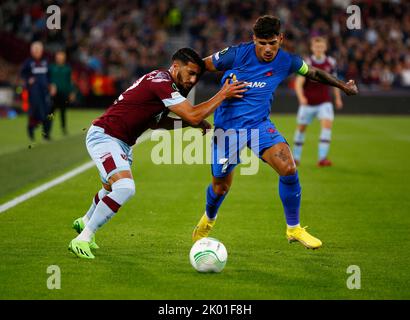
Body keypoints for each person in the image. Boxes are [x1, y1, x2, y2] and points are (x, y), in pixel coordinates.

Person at [192, 16, 358, 249]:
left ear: (280, 38)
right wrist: (182, 93)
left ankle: (294, 229)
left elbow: (314, 73)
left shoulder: (287, 61)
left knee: (288, 167)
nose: (268, 49)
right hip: (227, 129)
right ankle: (209, 219)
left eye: (272, 42)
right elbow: (200, 66)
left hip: (259, 126)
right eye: (262, 43)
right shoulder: (236, 55)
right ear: (254, 40)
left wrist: (342, 85)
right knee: (220, 186)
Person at [69, 48, 247, 259]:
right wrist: (222, 94)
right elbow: (191, 114)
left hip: (121, 143)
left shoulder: (167, 85)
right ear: (175, 67)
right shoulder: (161, 82)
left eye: (196, 75)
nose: (192, 79)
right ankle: (83, 238)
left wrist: (192, 124)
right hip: (105, 137)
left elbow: (157, 122)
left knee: (109, 187)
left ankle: (85, 220)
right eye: (190, 72)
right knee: (124, 188)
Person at [293, 36, 343, 167]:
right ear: (312, 48)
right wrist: (301, 97)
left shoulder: (330, 62)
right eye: (316, 47)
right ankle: (296, 158)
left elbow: (335, 82)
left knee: (327, 127)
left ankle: (322, 158)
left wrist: (337, 98)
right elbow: (299, 83)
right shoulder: (307, 63)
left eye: (321, 47)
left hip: (324, 102)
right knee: (301, 129)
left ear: (325, 48)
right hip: (308, 103)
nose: (319, 49)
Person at [21, 41, 55, 141]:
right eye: (35, 50)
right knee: (36, 113)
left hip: (45, 92)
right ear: (31, 51)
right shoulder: (28, 62)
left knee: (49, 113)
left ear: (41, 51)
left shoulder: (46, 62)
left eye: (38, 50)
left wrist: (52, 86)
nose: (36, 52)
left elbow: (49, 76)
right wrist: (28, 80)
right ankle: (31, 129)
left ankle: (46, 134)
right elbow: (23, 74)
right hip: (34, 93)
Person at [49, 50, 75, 135]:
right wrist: (50, 86)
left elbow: (70, 81)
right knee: (51, 113)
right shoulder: (52, 68)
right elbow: (47, 80)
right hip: (53, 94)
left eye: (61, 57)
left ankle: (63, 128)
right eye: (58, 57)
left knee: (63, 112)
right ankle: (48, 130)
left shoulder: (67, 68)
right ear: (56, 58)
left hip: (64, 94)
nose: (60, 58)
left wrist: (72, 92)